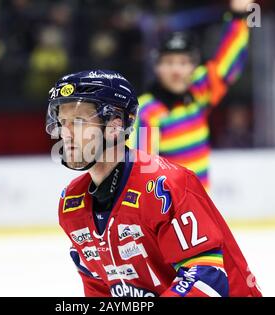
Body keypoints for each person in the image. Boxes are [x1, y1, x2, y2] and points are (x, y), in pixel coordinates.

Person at [45, 69, 261, 297]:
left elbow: (208, 278)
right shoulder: (72, 203)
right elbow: (99, 287)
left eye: (78, 122)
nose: (65, 133)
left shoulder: (165, 186)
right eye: (62, 122)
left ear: (115, 125)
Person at [129, 0, 254, 190]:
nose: (176, 70)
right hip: (170, 211)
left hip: (201, 206)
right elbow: (144, 174)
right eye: (169, 63)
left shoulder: (198, 90)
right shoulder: (147, 111)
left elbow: (228, 65)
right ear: (156, 67)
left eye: (183, 63)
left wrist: (238, 16)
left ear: (194, 67)